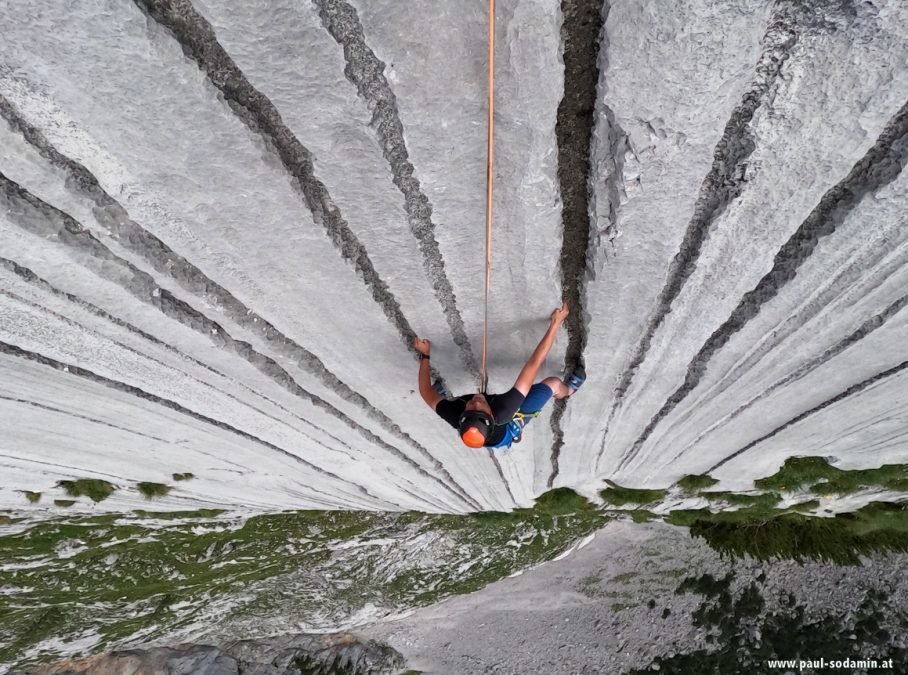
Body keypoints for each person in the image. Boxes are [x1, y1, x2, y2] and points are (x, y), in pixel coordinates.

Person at [414, 303, 586, 449]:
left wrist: (425, 356)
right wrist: (555, 324)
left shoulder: (454, 414)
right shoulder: (505, 409)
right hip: (507, 429)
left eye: (470, 406)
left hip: (478, 425)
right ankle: (568, 391)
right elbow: (534, 364)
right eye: (480, 407)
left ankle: (444, 398)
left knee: (442, 399)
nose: (476, 400)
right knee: (554, 383)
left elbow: (425, 391)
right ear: (491, 413)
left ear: (462, 416)